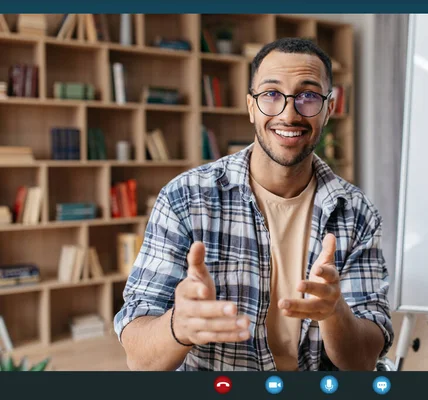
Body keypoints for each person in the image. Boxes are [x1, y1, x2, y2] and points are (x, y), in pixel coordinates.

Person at [114, 37, 394, 371]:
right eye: (272, 95)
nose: (289, 114)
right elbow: (139, 357)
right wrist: (179, 326)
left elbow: (363, 361)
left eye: (308, 96)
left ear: (328, 109)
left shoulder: (358, 214)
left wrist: (335, 314)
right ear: (251, 107)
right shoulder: (185, 199)